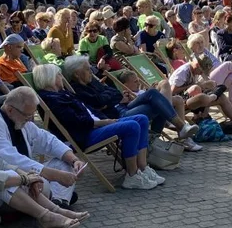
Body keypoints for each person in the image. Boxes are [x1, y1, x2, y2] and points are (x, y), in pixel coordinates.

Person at [31, 63, 162, 190]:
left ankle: (143, 167)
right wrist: (104, 122)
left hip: (96, 125)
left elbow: (89, 110)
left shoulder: (63, 93)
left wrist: (106, 120)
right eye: (59, 75)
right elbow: (74, 121)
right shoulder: (51, 99)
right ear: (50, 78)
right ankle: (132, 176)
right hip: (84, 135)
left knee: (142, 119)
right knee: (132, 126)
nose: (62, 77)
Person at [0, 87, 85, 208]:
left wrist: (74, 160)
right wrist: (54, 175)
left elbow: (47, 140)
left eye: (33, 114)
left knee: (65, 164)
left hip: (27, 174)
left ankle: (58, 201)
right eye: (28, 115)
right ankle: (54, 200)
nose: (31, 119)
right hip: (5, 180)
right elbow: (9, 159)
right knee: (43, 184)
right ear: (10, 110)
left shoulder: (20, 118)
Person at [63, 56, 196, 138]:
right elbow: (100, 101)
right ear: (76, 74)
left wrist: (113, 98)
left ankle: (163, 135)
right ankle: (178, 127)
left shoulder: (92, 82)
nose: (91, 72)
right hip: (115, 116)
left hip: (122, 106)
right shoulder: (78, 90)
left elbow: (113, 92)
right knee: (156, 100)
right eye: (87, 69)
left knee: (155, 96)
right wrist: (111, 98)